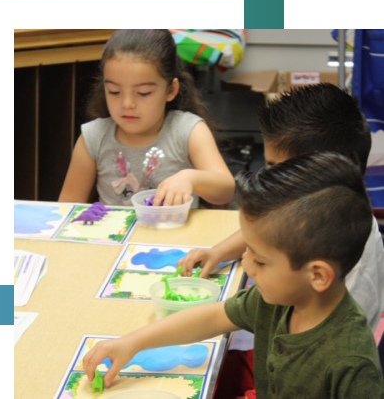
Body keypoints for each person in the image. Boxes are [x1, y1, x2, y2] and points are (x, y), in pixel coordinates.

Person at [83, 153, 384, 397]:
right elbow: (214, 317)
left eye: (261, 260)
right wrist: (132, 343)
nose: (245, 262)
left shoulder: (351, 366)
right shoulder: (281, 298)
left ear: (317, 275)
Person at [178, 83, 384, 330]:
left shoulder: (352, 280)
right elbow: (268, 228)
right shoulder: (308, 209)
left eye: (278, 169)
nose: (268, 179)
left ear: (332, 174)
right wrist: (218, 252)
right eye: (268, 166)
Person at [58, 29, 234, 208]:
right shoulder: (93, 136)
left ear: (171, 90)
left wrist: (190, 178)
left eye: (143, 93)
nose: (127, 104)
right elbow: (66, 207)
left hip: (173, 234)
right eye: (114, 92)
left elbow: (225, 190)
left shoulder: (188, 130)